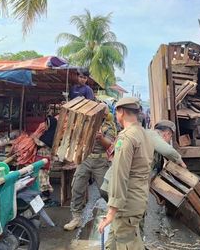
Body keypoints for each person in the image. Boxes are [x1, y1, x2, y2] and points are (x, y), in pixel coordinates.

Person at [98, 97, 154, 249]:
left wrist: (111, 211)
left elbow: (120, 175)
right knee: (114, 242)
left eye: (116, 113)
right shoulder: (144, 134)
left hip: (126, 203)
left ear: (121, 112)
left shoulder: (126, 137)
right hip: (138, 197)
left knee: (127, 243)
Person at [63, 108, 115, 231]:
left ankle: (114, 214)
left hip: (101, 161)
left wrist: (100, 137)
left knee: (105, 190)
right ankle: (76, 218)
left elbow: (109, 144)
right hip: (85, 160)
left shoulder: (109, 127)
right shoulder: (86, 123)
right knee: (77, 187)